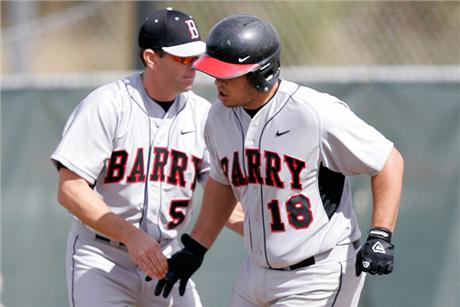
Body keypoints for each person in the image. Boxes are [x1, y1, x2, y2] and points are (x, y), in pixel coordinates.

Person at [154, 14, 405, 307]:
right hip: (256, 271)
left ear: (263, 74)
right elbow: (222, 185)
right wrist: (196, 248)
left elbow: (388, 160)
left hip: (316, 272)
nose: (217, 82)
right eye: (215, 72)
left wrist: (381, 234)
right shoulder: (218, 117)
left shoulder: (314, 113)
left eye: (227, 74)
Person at [51, 7, 212, 307]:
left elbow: (223, 198)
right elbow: (70, 189)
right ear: (151, 58)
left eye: (197, 58)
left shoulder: (203, 115)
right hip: (102, 256)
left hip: (166, 257)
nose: (194, 66)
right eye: (183, 58)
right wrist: (130, 236)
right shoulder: (107, 105)